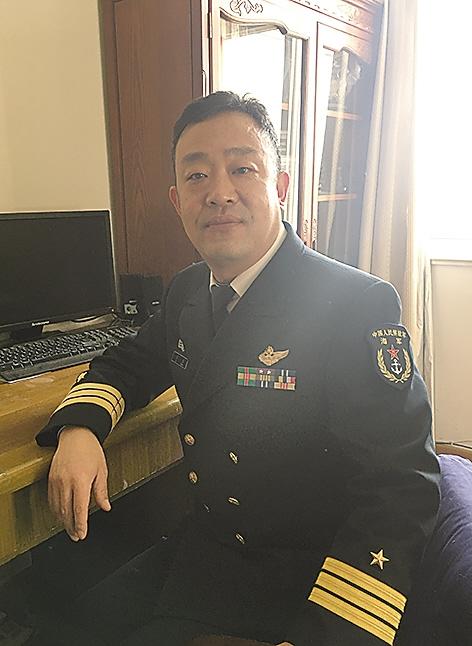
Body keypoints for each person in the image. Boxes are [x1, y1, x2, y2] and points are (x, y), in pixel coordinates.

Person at [36, 91, 440, 646]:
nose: (219, 192)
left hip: (305, 584)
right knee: (60, 624)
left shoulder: (353, 304)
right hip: (207, 553)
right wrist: (80, 430)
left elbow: (400, 487)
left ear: (280, 186)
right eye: (197, 176)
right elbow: (128, 363)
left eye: (242, 168)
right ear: (177, 200)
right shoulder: (188, 290)